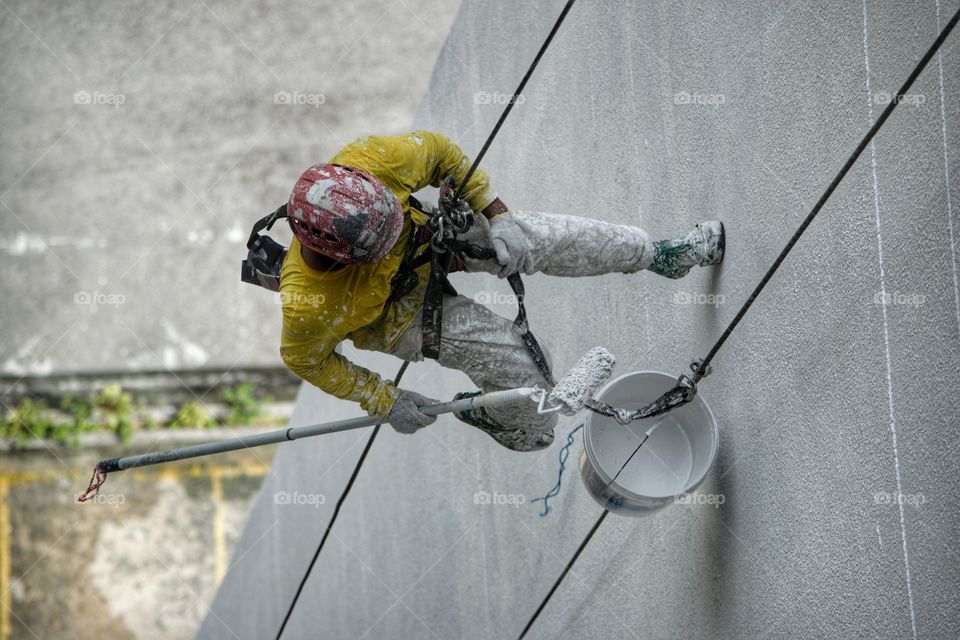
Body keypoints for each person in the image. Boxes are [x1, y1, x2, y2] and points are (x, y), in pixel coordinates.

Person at [278, 131, 724, 452]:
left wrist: (499, 215)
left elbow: (440, 153)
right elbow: (306, 359)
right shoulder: (309, 307)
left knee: (539, 238)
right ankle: (505, 423)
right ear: (340, 258)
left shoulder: (370, 161)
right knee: (528, 381)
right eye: (381, 242)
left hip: (424, 237)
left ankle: (662, 254)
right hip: (394, 315)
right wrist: (383, 399)